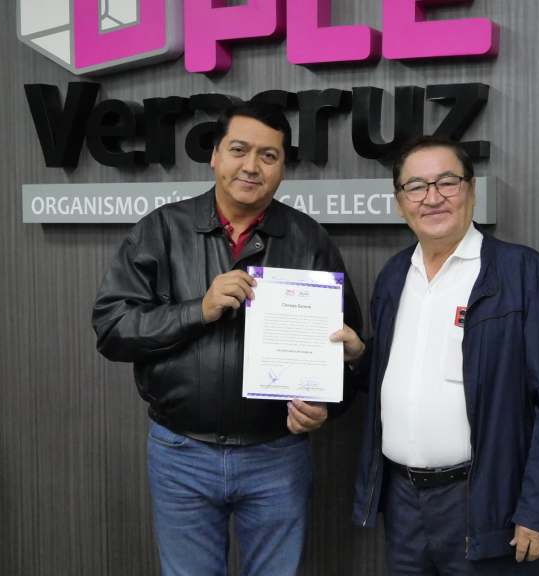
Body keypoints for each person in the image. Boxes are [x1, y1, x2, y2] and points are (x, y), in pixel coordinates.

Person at [92, 102, 363, 576]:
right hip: (181, 453)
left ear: (282, 168)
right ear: (215, 155)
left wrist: (326, 405)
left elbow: (346, 353)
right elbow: (113, 329)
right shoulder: (162, 229)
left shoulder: (309, 240)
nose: (251, 166)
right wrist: (196, 310)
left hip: (277, 454)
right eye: (239, 150)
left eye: (268, 155)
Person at [338, 137, 539, 575]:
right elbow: (401, 370)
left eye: (447, 182)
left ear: (471, 190)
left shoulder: (521, 273)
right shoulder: (395, 275)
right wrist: (362, 356)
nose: (432, 197)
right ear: (400, 202)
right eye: (416, 186)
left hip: (484, 502)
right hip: (403, 503)